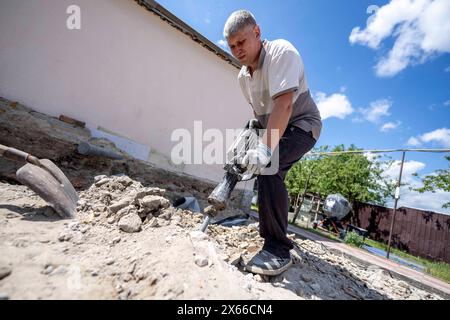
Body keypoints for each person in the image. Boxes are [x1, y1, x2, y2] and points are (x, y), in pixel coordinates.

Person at [224, 10, 322, 276]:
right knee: (269, 172)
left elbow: (284, 104)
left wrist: (265, 150)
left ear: (256, 32)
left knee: (270, 167)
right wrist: (250, 145)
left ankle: (278, 249)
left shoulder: (281, 52)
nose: (236, 50)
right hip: (277, 126)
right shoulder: (243, 77)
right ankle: (275, 230)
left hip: (302, 125)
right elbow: (260, 116)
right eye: (231, 46)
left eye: (241, 42)